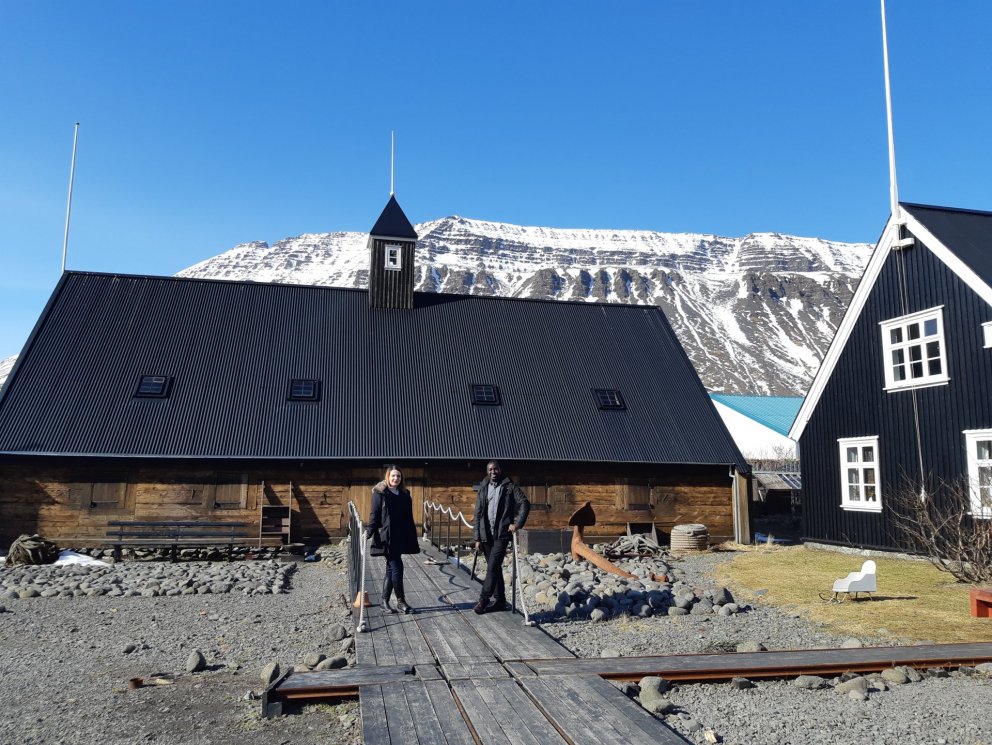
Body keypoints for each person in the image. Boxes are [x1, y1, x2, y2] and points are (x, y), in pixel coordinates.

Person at [473, 460, 530, 614]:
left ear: (500, 470)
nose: (493, 472)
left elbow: (525, 503)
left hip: (501, 535)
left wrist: (517, 524)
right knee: (495, 568)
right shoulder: (483, 487)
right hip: (486, 536)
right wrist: (477, 538)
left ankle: (483, 599)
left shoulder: (510, 486)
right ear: (487, 471)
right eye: (490, 469)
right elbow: (478, 514)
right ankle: (500, 601)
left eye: (496, 469)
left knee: (492, 567)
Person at [366, 464, 420, 614]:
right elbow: (374, 514)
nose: (396, 478)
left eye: (398, 476)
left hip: (401, 535)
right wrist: (369, 531)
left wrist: (412, 534)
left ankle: (384, 601)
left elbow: (408, 516)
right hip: (387, 536)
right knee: (397, 567)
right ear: (387, 477)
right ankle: (401, 602)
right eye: (393, 475)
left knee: (391, 569)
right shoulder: (380, 493)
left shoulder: (404, 493)